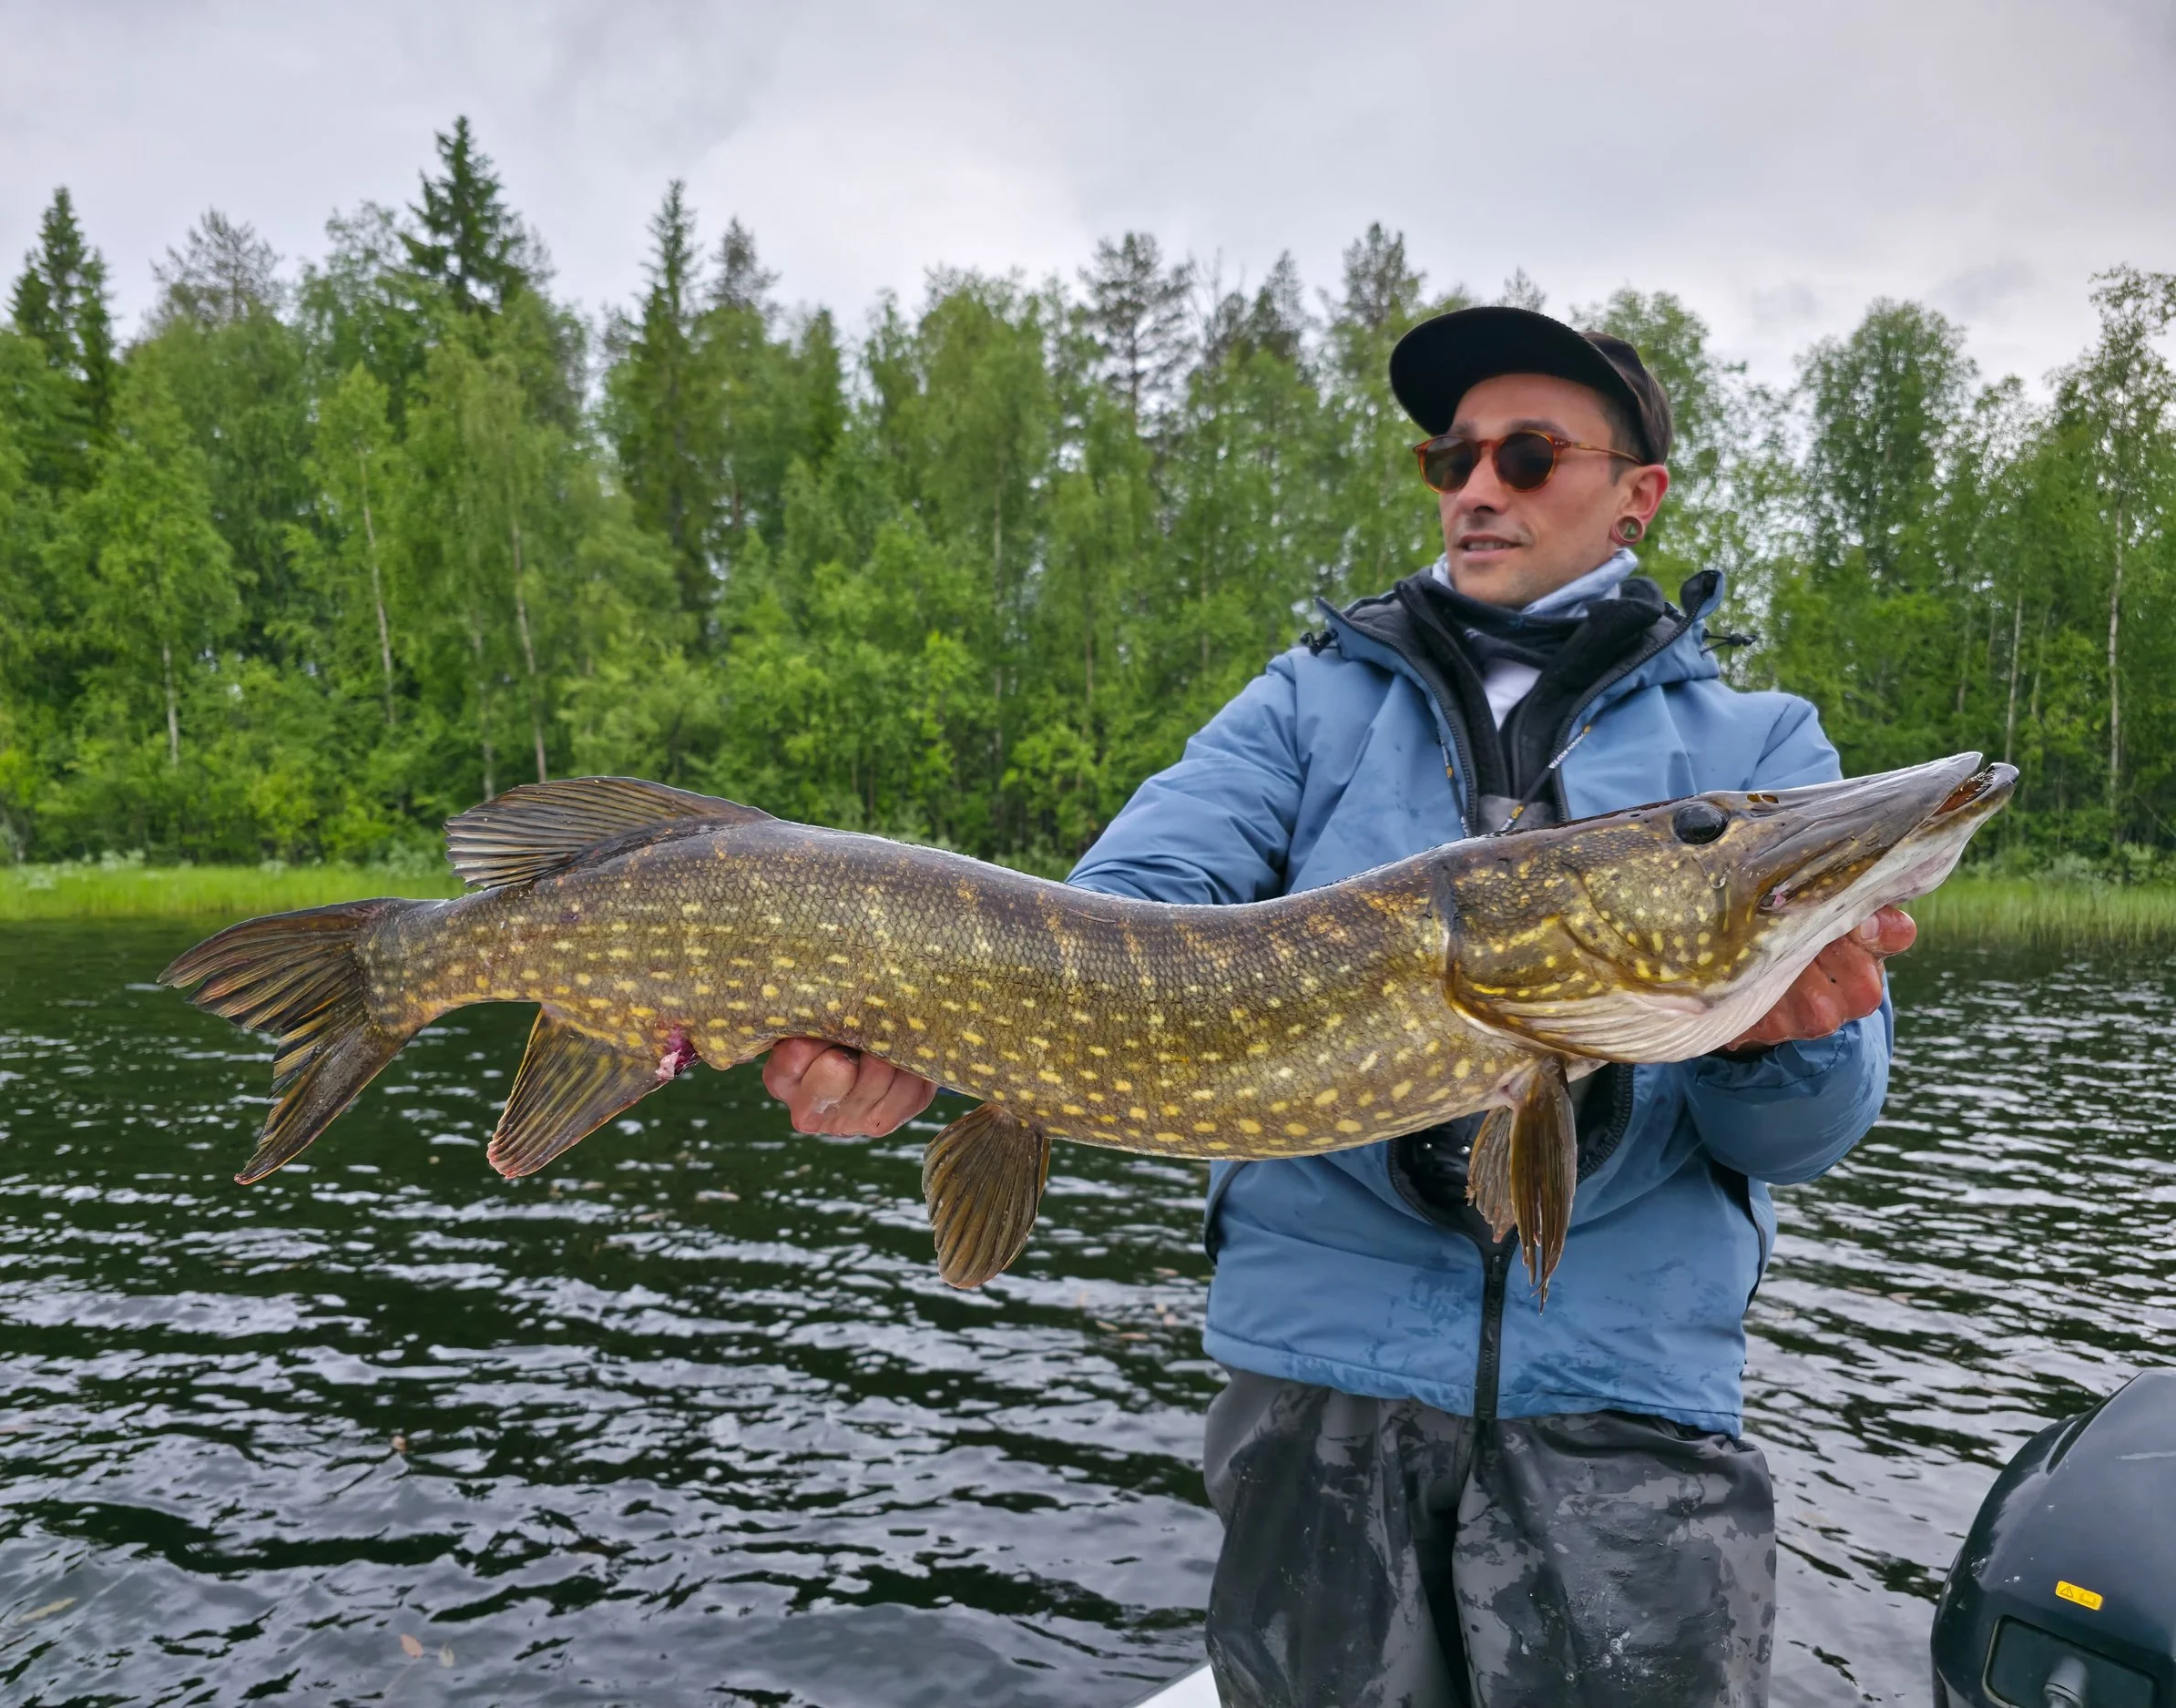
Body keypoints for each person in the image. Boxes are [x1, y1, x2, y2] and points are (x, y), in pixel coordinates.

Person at [763, 306, 1907, 1707]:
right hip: (1320, 1388)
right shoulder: (1307, 705)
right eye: (1452, 458)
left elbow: (1807, 1133)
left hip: (1628, 1400)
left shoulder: (1752, 750)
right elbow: (1123, 908)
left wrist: (1789, 1045)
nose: (1479, 488)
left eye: (1530, 454)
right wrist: (916, 1024)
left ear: (1637, 494)